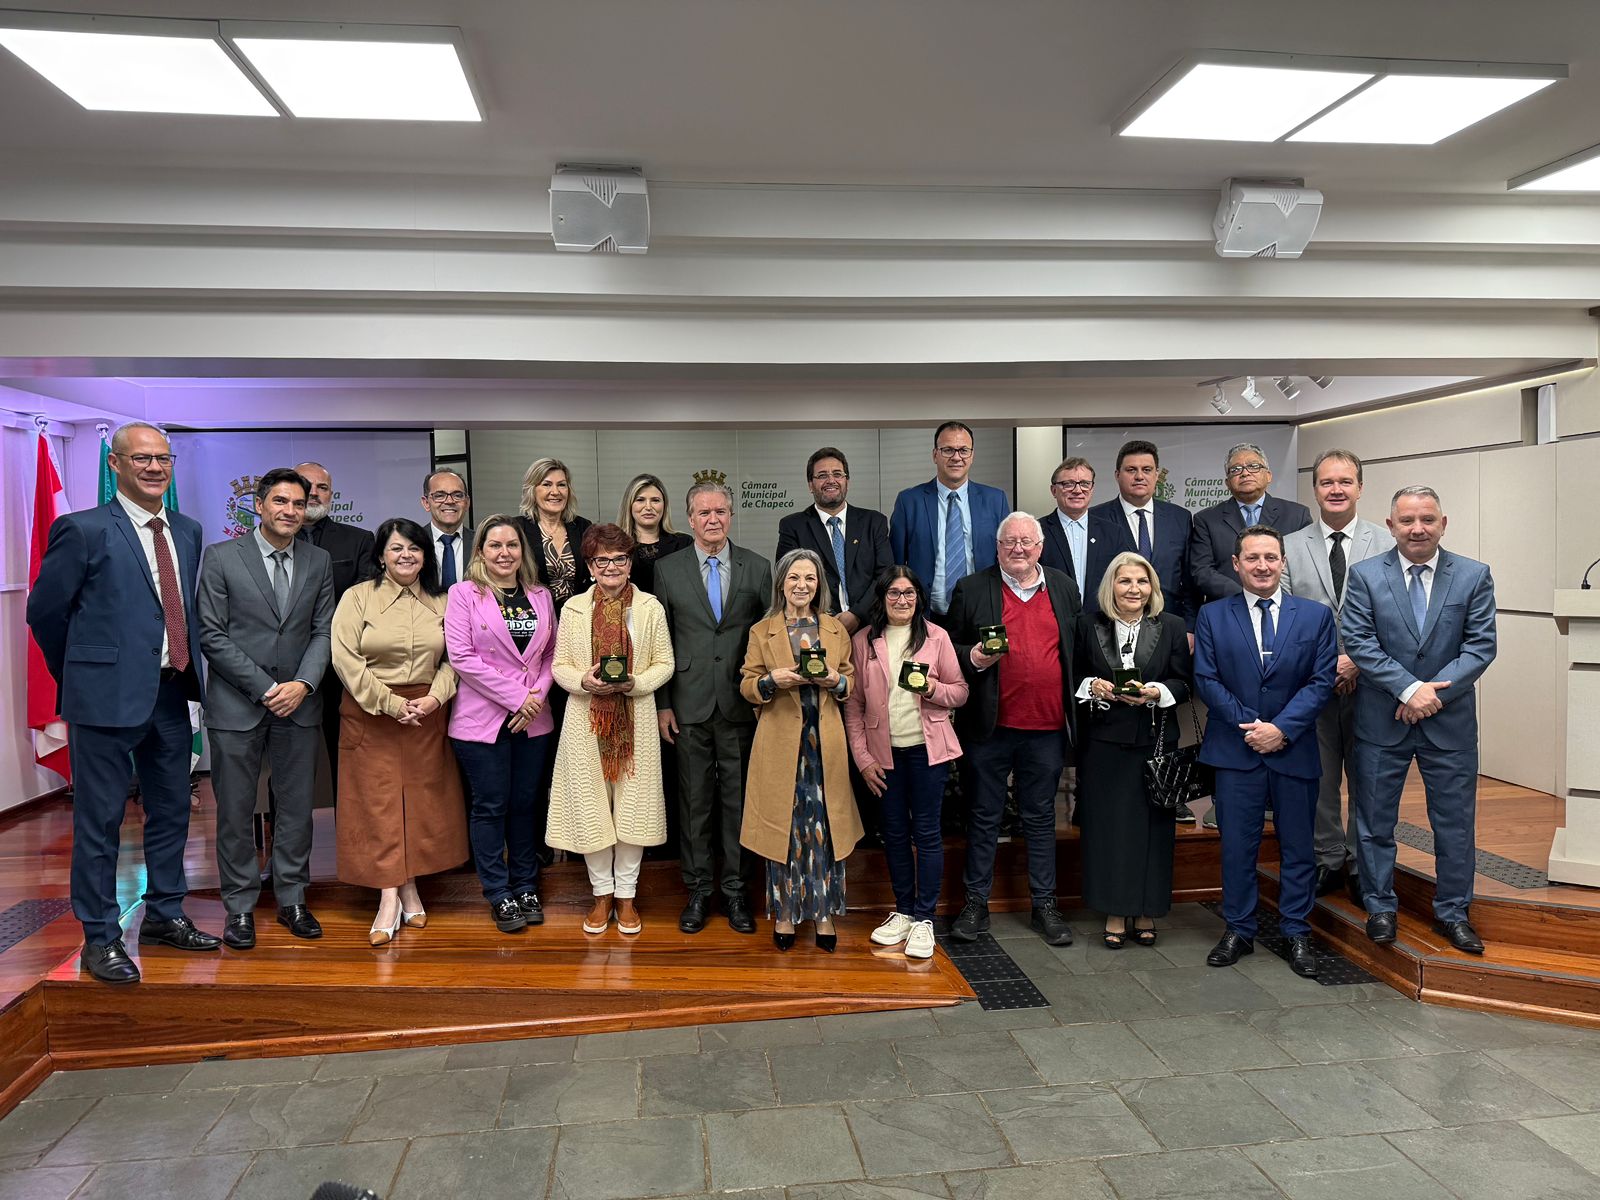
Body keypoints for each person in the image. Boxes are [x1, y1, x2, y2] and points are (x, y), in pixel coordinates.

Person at [27, 421, 220, 983]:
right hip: (104, 702)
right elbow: (45, 613)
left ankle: (164, 914)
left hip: (172, 692)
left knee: (172, 811)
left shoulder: (187, 529)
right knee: (101, 821)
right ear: (116, 465)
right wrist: (84, 674)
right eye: (142, 459)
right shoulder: (82, 529)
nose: (155, 468)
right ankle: (100, 937)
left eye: (163, 458)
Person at [1342, 486, 1497, 954]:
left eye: (1427, 519)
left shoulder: (1473, 575)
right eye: (1407, 520)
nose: (1417, 529)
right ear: (1390, 526)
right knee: (1373, 821)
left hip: (1449, 724)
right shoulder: (1365, 575)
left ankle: (1453, 913)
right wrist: (1410, 689)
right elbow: (1359, 641)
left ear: (1443, 524)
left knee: (1455, 825)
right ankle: (1380, 907)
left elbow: (1480, 646)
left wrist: (1430, 695)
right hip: (1381, 721)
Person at [197, 467, 334, 949]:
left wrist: (303, 684)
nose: (290, 511)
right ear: (259, 506)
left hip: (299, 704)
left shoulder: (318, 561)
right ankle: (239, 906)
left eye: (298, 503)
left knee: (296, 809)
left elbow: (323, 630)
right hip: (237, 705)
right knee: (235, 811)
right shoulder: (221, 557)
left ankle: (292, 897)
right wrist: (266, 687)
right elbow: (211, 633)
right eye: (280, 501)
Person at [1194, 526, 1336, 978]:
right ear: (1236, 564)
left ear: (1283, 562)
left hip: (1293, 750)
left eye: (1271, 557)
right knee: (1237, 847)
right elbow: (1206, 678)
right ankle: (1239, 929)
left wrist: (1281, 729)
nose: (1262, 566)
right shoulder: (1213, 615)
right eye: (1252, 558)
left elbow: (1321, 681)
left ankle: (1296, 931)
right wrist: (1252, 728)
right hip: (1236, 752)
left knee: (1298, 848)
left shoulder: (1315, 616)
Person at [946, 512, 1082, 946]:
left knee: (1040, 819)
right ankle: (975, 904)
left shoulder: (1063, 587)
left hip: (1046, 727)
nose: (1018, 549)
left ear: (1040, 547)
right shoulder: (972, 588)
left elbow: (1076, 649)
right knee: (983, 816)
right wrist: (973, 657)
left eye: (1026, 542)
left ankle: (1045, 905)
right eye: (1009, 542)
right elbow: (948, 646)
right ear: (997, 547)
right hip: (990, 728)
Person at [331, 518, 467, 945]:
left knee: (422, 804)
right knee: (378, 806)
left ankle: (409, 886)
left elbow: (455, 658)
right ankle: (390, 897)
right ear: (381, 556)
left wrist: (435, 698)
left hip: (426, 714)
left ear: (426, 556)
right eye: (396, 548)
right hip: (371, 713)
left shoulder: (443, 600)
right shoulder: (357, 598)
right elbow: (344, 659)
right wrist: (390, 704)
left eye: (414, 548)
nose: (406, 555)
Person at [653, 480, 773, 933]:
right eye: (704, 513)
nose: (713, 519)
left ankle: (737, 892)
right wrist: (664, 704)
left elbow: (768, 637)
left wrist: (764, 695)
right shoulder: (667, 570)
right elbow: (660, 641)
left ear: (731, 515)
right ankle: (699, 891)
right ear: (690, 519)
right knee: (694, 803)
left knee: (738, 803)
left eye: (720, 511)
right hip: (688, 704)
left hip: (742, 704)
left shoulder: (757, 567)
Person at [547, 524, 675, 935]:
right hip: (586, 723)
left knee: (633, 811)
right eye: (601, 560)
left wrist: (634, 683)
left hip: (636, 720)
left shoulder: (650, 607)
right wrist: (583, 681)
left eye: (619, 559)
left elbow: (665, 663)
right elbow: (559, 666)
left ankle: (626, 896)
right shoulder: (573, 609)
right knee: (592, 810)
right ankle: (602, 894)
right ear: (589, 566)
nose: (611, 567)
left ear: (630, 562)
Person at [843, 567, 968, 959]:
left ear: (919, 597)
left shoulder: (936, 637)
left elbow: (960, 692)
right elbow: (853, 707)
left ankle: (925, 919)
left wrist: (931, 688)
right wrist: (863, 760)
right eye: (894, 593)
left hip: (927, 753)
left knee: (927, 834)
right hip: (884, 756)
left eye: (909, 593)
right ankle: (904, 911)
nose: (902, 600)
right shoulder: (863, 640)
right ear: (882, 598)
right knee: (894, 834)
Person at [1281, 449, 1389, 901]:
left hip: (1374, 684)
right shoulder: (1290, 545)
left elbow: (1395, 618)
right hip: (1313, 685)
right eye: (1327, 482)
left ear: (1360, 487)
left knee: (1369, 778)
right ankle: (1327, 858)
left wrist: (1357, 661)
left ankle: (1363, 864)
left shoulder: (1387, 542)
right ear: (1315, 490)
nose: (1336, 489)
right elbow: (1286, 618)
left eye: (1345, 481)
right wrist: (1329, 667)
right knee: (1321, 777)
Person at [740, 549, 861, 950]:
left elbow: (849, 683)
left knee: (824, 829)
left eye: (809, 578)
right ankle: (786, 914)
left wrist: (833, 680)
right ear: (781, 583)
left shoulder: (835, 629)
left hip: (823, 745)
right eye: (794, 577)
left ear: (819, 585)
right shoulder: (763, 631)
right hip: (780, 745)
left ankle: (824, 914)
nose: (801, 585)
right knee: (786, 831)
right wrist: (771, 680)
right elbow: (748, 685)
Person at [1072, 552, 1193, 948]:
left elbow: (1185, 682)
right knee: (1108, 831)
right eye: (1125, 581)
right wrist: (1092, 686)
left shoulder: (1171, 626)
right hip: (1104, 745)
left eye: (1142, 582)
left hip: (1154, 743)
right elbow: (1072, 674)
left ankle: (1146, 910)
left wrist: (1157, 691)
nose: (1134, 589)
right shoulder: (1087, 625)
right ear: (1111, 586)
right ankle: (1113, 910)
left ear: (1152, 588)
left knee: (1154, 831)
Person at [445, 516, 556, 934]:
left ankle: (526, 885)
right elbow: (461, 657)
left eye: (512, 545)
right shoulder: (463, 594)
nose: (504, 553)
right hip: (483, 720)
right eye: (495, 545)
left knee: (526, 805)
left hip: (534, 720)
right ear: (481, 551)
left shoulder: (541, 595)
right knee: (491, 806)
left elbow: (551, 654)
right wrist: (517, 698)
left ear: (523, 552)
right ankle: (498, 891)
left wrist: (534, 699)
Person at [294, 460, 375, 797]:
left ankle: (351, 827)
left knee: (347, 759)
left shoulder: (359, 541)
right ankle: (283, 828)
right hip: (286, 671)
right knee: (288, 763)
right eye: (306, 485)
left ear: (331, 495)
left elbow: (362, 606)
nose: (314, 493)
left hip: (340, 671)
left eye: (322, 487)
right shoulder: (270, 540)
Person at [890, 422, 1010, 619]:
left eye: (963, 450)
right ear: (935, 455)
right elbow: (896, 564)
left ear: (972, 455)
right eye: (948, 450)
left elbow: (1006, 557)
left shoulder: (995, 500)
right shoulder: (909, 501)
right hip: (925, 614)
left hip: (982, 612)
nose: (956, 457)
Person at [776, 447, 894, 634]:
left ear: (847, 481)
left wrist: (856, 614)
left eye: (838, 474)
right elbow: (789, 581)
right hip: (816, 628)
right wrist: (826, 621)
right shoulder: (793, 526)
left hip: (870, 627)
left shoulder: (874, 522)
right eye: (822, 475)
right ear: (810, 485)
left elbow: (885, 575)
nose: (831, 480)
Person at [1084, 440, 1195, 630]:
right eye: (1131, 470)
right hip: (1112, 626)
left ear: (1157, 475)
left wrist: (1190, 628)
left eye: (1147, 469)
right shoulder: (1094, 518)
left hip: (1169, 625)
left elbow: (1190, 582)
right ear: (1117, 475)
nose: (1139, 476)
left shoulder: (1180, 518)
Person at [1188, 443, 1312, 604]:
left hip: (1284, 607)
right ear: (1227, 482)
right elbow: (1202, 571)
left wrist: (1274, 596)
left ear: (1268, 475)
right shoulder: (1206, 519)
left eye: (1253, 466)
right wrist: (1245, 596)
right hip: (1228, 606)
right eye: (1236, 469)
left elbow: (1306, 568)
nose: (1245, 473)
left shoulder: (1297, 515)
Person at [516, 456, 592, 613]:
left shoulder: (583, 527)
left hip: (578, 616)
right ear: (532, 490)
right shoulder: (517, 528)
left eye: (562, 485)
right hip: (534, 616)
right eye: (547, 484)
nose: (555, 492)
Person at [619, 472, 692, 596]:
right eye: (640, 500)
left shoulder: (684, 543)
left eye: (655, 500)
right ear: (629, 505)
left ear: (664, 505)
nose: (648, 507)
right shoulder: (615, 545)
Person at [1038, 456, 1094, 590]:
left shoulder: (1112, 532)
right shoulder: (1036, 531)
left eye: (1085, 484)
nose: (1077, 490)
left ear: (1092, 489)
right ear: (1054, 491)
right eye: (1068, 484)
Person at [421, 468, 473, 589]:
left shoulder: (482, 543)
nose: (449, 501)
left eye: (457, 495)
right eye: (440, 495)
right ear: (426, 503)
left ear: (467, 503)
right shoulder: (413, 542)